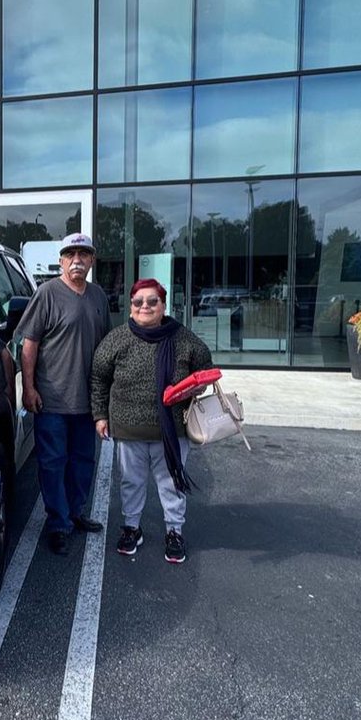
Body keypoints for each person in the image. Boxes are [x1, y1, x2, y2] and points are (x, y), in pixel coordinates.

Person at [91, 278, 212, 564]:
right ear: (130, 306)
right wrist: (100, 415)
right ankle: (132, 528)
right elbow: (99, 377)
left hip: (171, 430)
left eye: (152, 301)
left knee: (171, 483)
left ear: (163, 305)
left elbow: (206, 366)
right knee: (131, 482)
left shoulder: (183, 338)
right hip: (129, 428)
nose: (144, 306)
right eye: (138, 302)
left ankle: (174, 532)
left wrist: (197, 386)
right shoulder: (117, 339)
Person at [18, 233, 112, 555]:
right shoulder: (47, 294)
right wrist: (29, 388)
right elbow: (28, 345)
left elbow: (107, 348)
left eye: (83, 254)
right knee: (53, 463)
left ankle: (75, 512)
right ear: (61, 261)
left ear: (91, 261)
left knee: (83, 461)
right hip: (53, 401)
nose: (77, 260)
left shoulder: (98, 296)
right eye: (70, 254)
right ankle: (58, 523)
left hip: (87, 402)